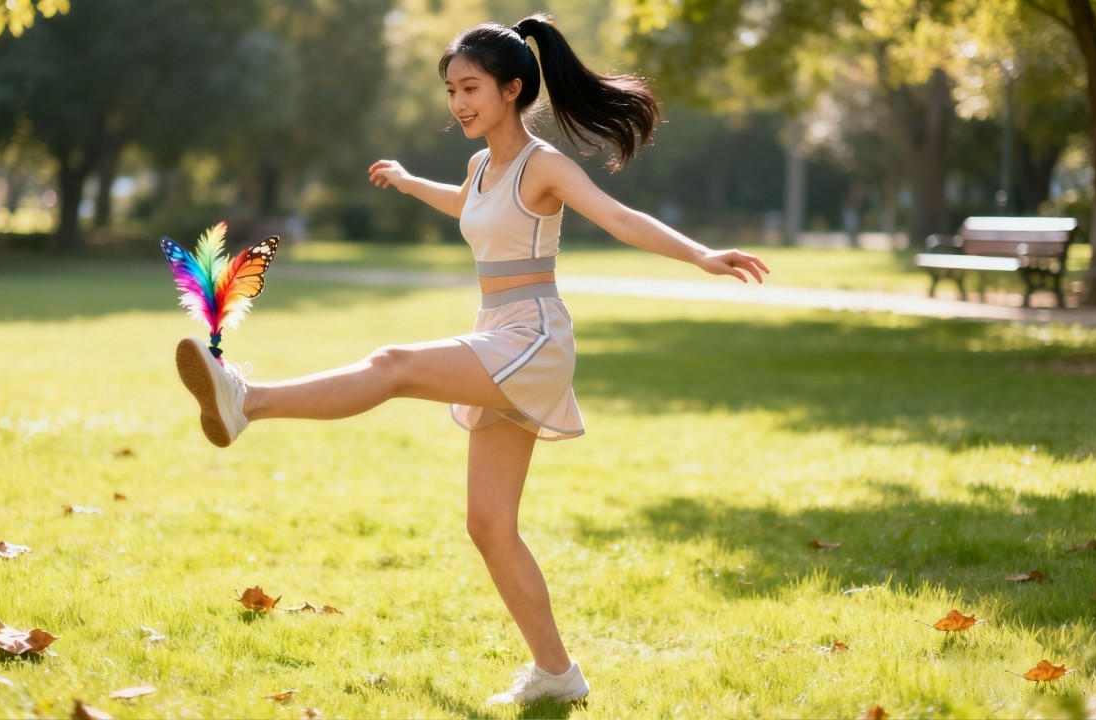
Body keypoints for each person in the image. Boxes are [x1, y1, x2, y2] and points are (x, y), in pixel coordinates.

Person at [175, 14, 769, 706]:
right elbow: (468, 205)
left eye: (470, 88)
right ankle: (558, 674)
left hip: (533, 339)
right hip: (500, 333)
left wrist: (701, 254)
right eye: (451, 90)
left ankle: (246, 400)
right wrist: (405, 181)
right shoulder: (482, 164)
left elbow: (617, 218)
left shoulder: (545, 166)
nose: (458, 103)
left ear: (513, 89)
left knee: (393, 363)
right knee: (488, 526)